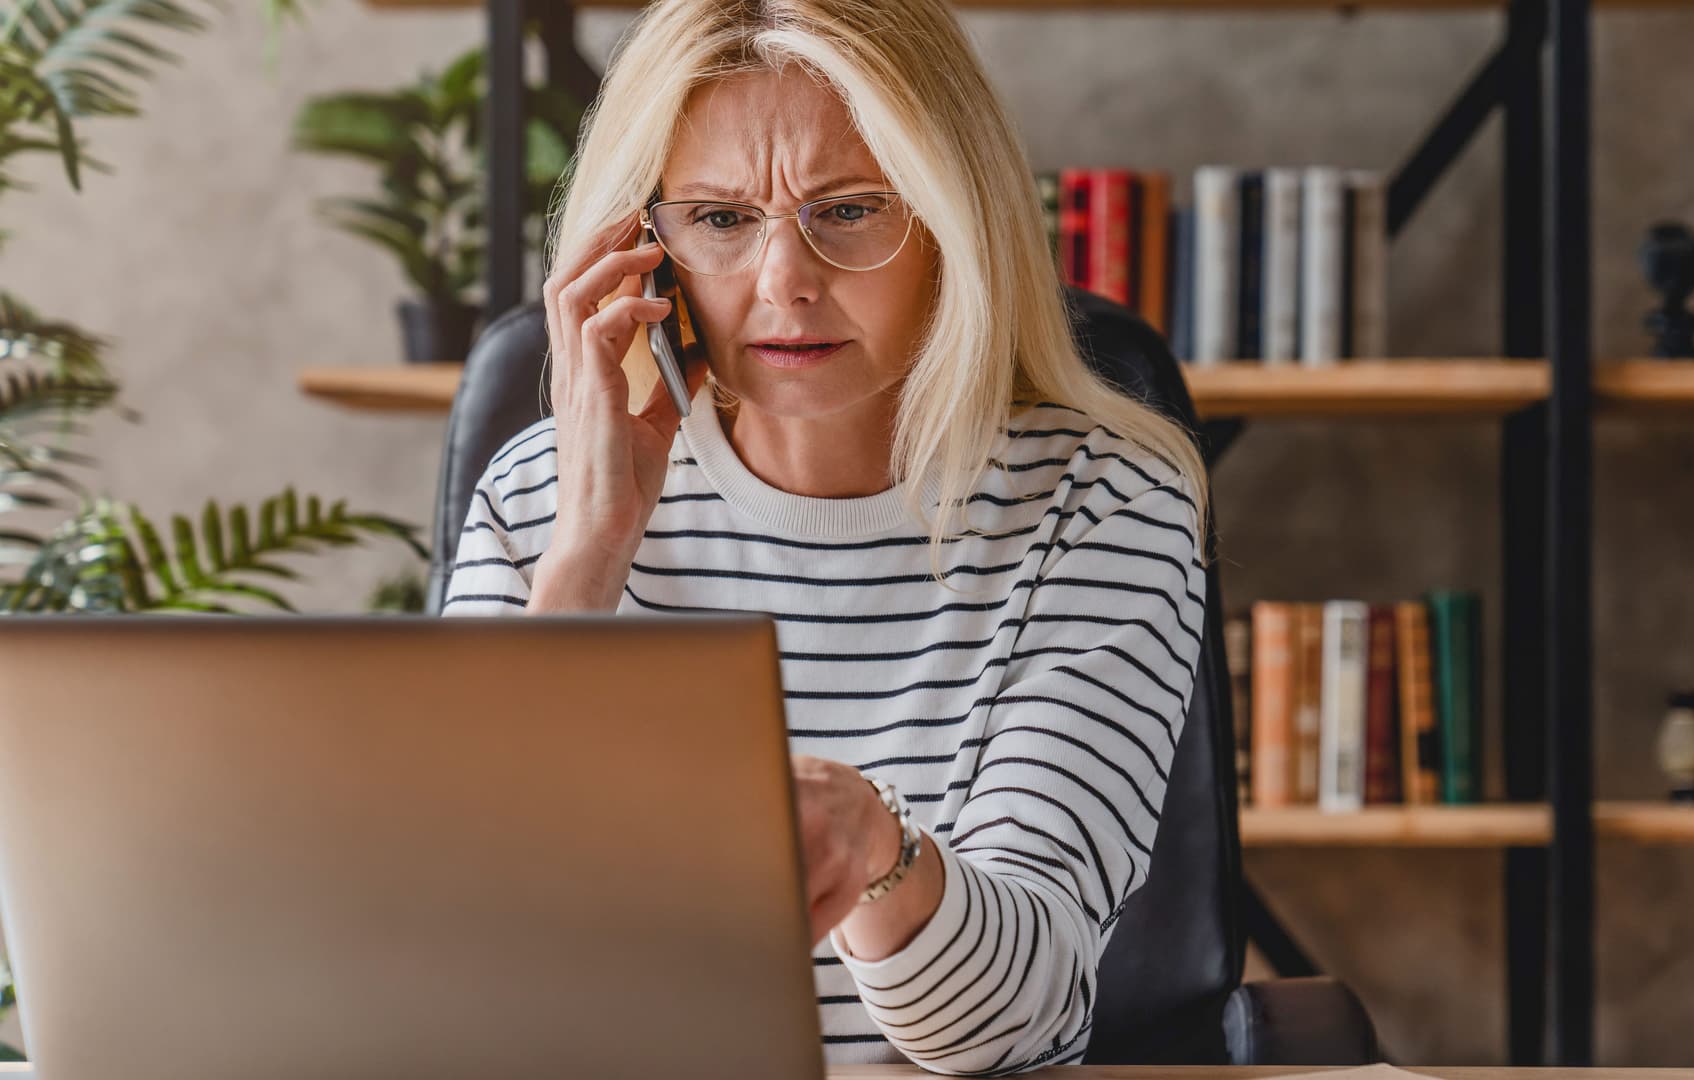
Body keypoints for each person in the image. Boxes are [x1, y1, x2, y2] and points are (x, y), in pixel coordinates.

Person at [442, 0, 1209, 1073]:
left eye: (848, 210)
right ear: (642, 249)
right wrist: (586, 554)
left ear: (956, 220)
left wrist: (873, 848)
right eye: (717, 218)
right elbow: (451, 957)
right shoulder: (540, 499)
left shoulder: (1103, 505)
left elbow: (1009, 1026)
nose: (783, 282)